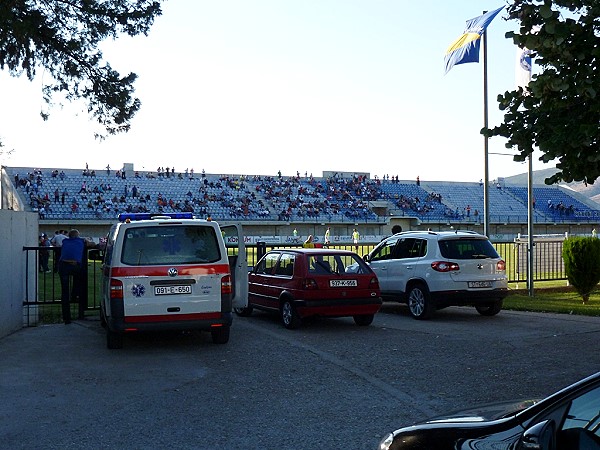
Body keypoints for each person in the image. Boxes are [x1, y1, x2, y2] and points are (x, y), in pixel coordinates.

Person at [58, 229, 91, 324]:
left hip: (63, 266)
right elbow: (90, 243)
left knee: (64, 291)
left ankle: (66, 318)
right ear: (78, 236)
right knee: (79, 282)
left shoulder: (65, 241)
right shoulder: (81, 241)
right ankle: (75, 296)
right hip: (75, 265)